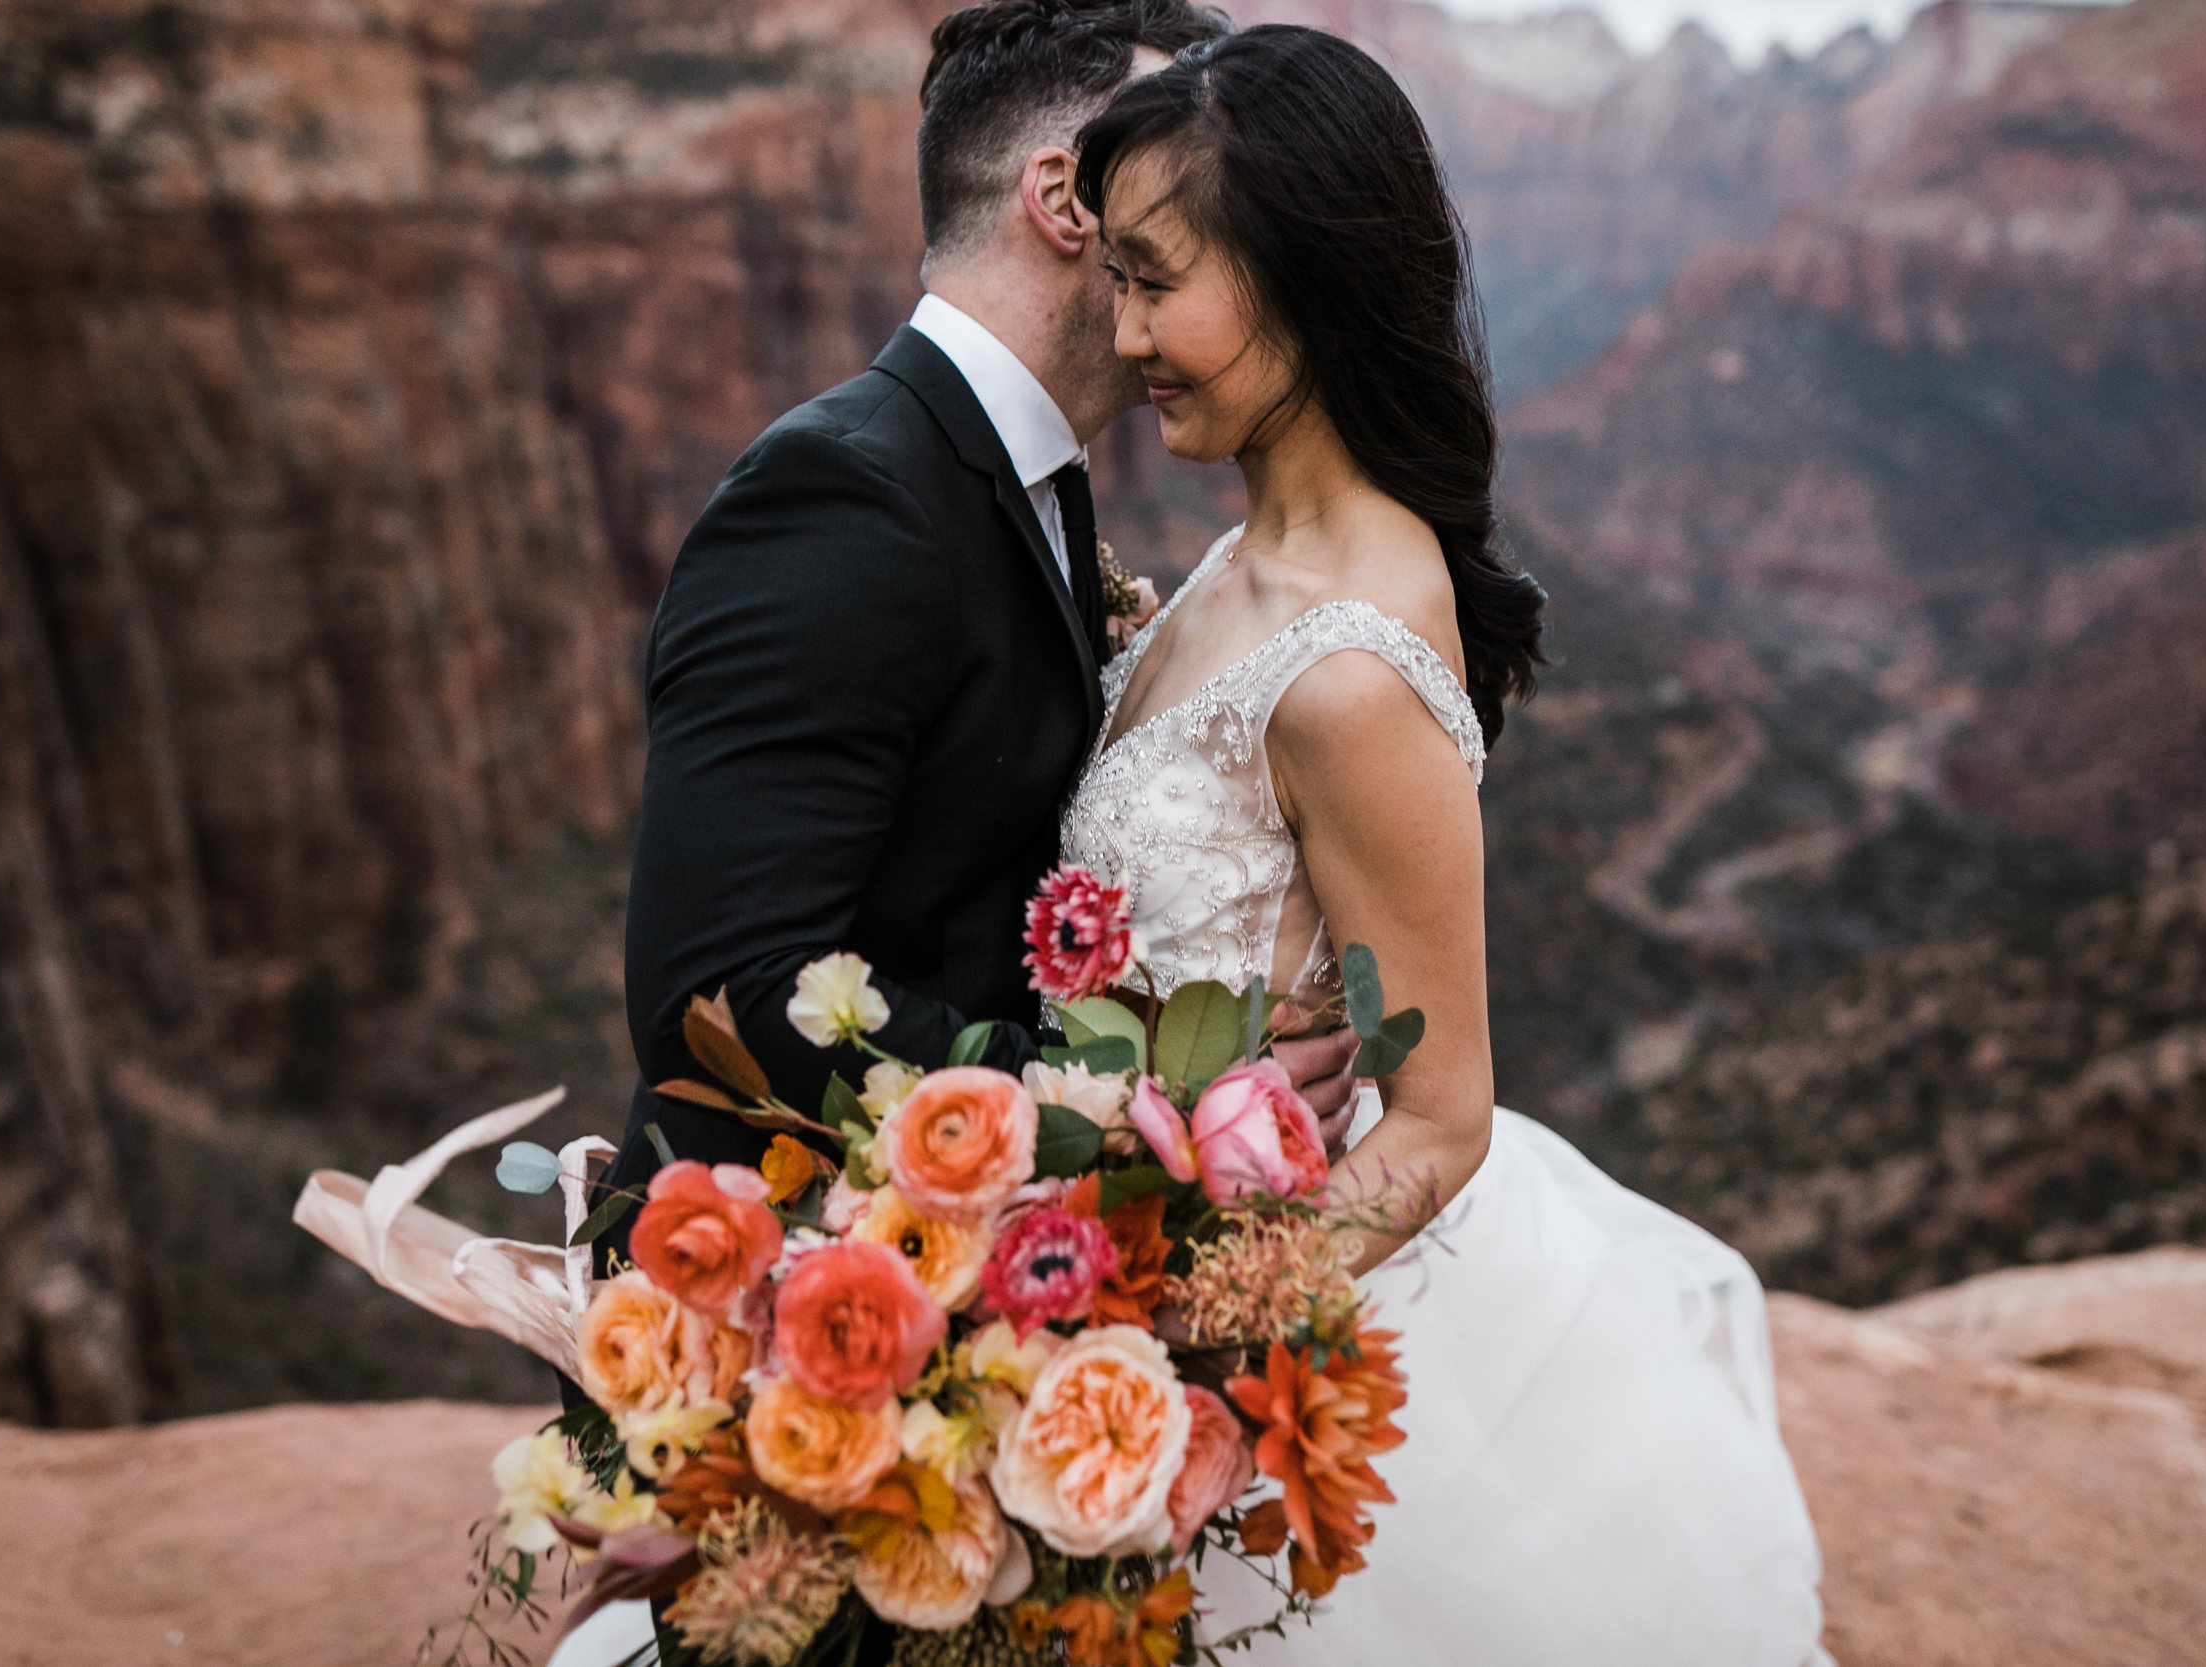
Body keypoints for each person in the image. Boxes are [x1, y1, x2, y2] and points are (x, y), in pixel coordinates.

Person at [567, 3, 1359, 1661]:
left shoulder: (1034, 479)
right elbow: (722, 984)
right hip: (809, 1359)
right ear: (1071, 197)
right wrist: (1138, 1100)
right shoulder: (846, 496)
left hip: (977, 1337)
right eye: (1207, 170)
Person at [1060, 25, 1831, 1662]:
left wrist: (1171, 1331)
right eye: (1112, 281)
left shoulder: (1345, 675)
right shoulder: (1246, 554)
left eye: (1153, 280)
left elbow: (1438, 1121)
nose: (1124, 334)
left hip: (1253, 1355)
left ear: (1302, 275)